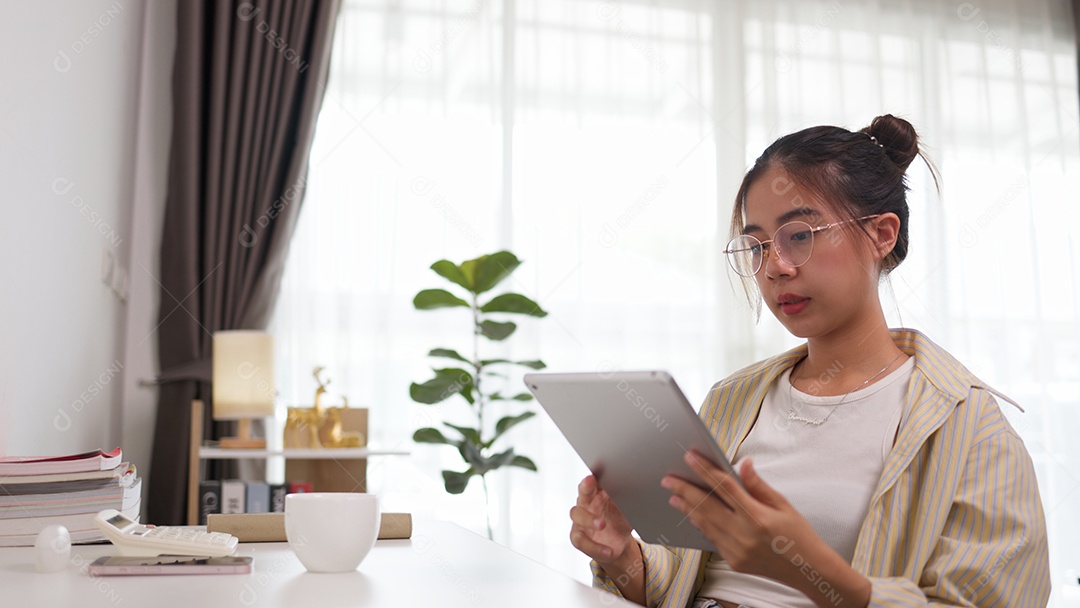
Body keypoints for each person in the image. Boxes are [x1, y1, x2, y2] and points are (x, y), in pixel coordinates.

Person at [569, 115, 1051, 607]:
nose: (775, 266)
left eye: (799, 234)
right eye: (757, 245)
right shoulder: (733, 399)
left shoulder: (971, 431)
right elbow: (690, 577)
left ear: (882, 235)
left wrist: (806, 568)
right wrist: (622, 556)